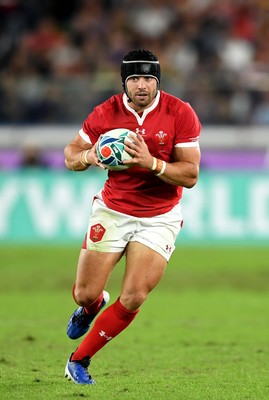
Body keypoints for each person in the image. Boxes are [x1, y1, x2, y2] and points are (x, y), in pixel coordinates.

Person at [64, 49, 201, 384]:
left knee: (135, 295)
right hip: (113, 210)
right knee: (85, 292)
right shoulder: (105, 112)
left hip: (159, 216)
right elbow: (70, 156)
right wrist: (90, 155)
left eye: (149, 78)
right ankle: (90, 307)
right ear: (124, 82)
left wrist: (151, 163)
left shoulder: (179, 112)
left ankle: (79, 361)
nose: (143, 85)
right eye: (135, 79)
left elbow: (190, 175)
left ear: (158, 82)